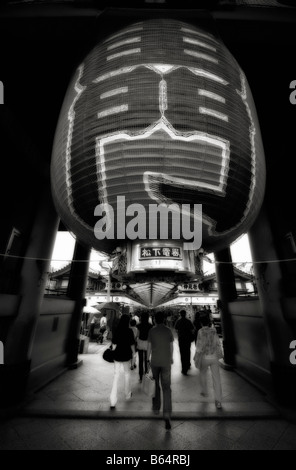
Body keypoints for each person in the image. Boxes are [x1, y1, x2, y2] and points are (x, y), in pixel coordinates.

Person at [147, 310, 174, 430]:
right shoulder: (168, 331)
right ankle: (167, 414)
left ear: (154, 320)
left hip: (155, 362)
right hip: (166, 362)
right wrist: (171, 358)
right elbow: (171, 346)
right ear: (163, 320)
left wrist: (147, 360)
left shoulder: (152, 330)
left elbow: (148, 347)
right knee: (167, 388)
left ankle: (156, 408)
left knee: (155, 385)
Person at [194, 312, 223, 409]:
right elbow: (218, 343)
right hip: (214, 357)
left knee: (202, 373)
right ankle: (218, 401)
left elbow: (199, 346)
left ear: (201, 323)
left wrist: (196, 355)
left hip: (205, 357)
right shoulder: (214, 331)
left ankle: (205, 391)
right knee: (217, 379)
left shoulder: (200, 331)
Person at [109, 314, 136, 409]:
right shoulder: (129, 331)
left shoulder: (117, 330)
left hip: (117, 355)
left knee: (116, 376)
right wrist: (134, 355)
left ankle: (112, 401)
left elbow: (114, 344)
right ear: (128, 321)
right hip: (126, 355)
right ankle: (127, 394)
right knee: (127, 374)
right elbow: (132, 345)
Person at [174, 310, 195, 375]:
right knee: (188, 351)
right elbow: (192, 328)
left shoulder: (178, 321)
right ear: (185, 314)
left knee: (182, 353)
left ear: (180, 314)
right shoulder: (188, 321)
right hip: (187, 339)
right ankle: (188, 364)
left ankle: (184, 369)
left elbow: (175, 328)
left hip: (181, 339)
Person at [136, 311, 153, 383]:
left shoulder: (138, 325)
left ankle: (140, 377)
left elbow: (137, 335)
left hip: (140, 343)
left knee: (140, 360)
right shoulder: (150, 325)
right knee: (147, 359)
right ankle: (146, 374)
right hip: (148, 343)